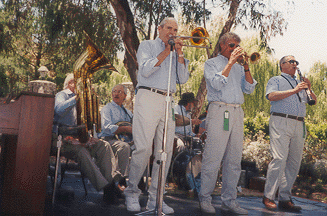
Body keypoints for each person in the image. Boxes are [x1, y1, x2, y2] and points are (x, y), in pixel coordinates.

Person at [124, 17, 190, 214]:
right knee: (143, 148)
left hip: (168, 100)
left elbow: (183, 79)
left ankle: (156, 198)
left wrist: (179, 54)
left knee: (165, 151)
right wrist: (166, 52)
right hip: (148, 96)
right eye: (169, 28)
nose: (173, 32)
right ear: (160, 29)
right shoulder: (147, 45)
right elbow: (144, 70)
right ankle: (132, 191)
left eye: (176, 29)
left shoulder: (175, 50)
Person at [199, 32, 257, 215]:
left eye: (238, 46)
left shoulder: (240, 68)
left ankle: (229, 200)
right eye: (232, 46)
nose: (235, 50)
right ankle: (205, 198)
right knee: (213, 157)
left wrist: (246, 65)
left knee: (233, 160)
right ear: (222, 46)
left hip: (237, 112)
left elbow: (249, 89)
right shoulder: (212, 63)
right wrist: (230, 63)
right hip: (219, 110)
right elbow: (216, 84)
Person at [53, 73, 124, 205]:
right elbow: (58, 110)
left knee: (104, 145)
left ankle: (111, 186)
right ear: (70, 83)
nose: (83, 85)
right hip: (63, 139)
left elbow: (90, 122)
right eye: (78, 82)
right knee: (81, 152)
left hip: (80, 138)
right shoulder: (62, 95)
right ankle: (106, 187)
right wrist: (77, 98)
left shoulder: (85, 99)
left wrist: (91, 137)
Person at [262, 55, 317, 212]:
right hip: (281, 121)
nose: (295, 64)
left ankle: (285, 198)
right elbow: (271, 96)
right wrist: (294, 90)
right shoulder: (276, 80)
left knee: (294, 161)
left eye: (296, 62)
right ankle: (268, 196)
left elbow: (313, 101)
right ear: (282, 65)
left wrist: (309, 88)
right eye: (291, 61)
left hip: (299, 123)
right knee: (279, 158)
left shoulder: (299, 82)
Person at [98, 84, 133, 178]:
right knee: (124, 147)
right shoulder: (107, 108)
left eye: (119, 92)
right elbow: (106, 127)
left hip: (124, 139)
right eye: (114, 91)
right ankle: (121, 179)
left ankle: (138, 180)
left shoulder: (128, 112)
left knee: (143, 148)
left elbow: (134, 126)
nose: (116, 94)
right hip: (108, 139)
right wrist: (125, 129)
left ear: (125, 95)